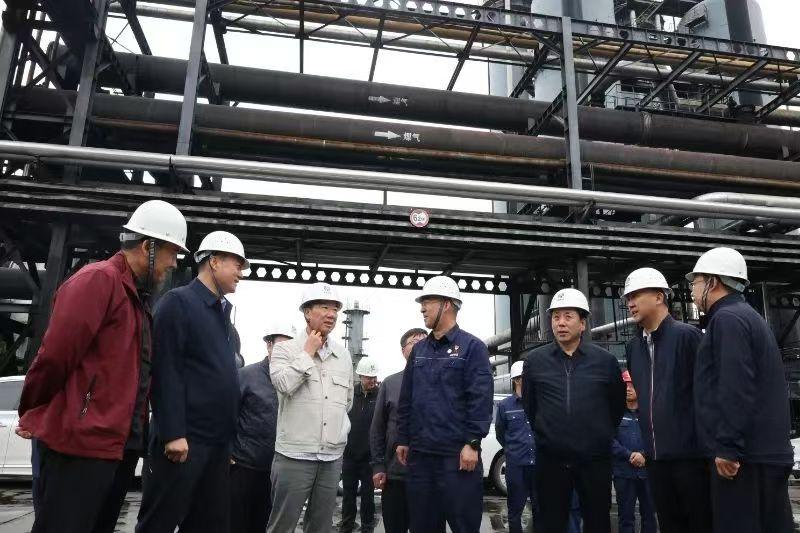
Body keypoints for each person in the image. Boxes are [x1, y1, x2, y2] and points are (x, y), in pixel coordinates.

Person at [17, 200, 188, 533]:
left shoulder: (136, 298)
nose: (173, 263)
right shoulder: (98, 281)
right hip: (80, 446)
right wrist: (33, 407)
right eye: (172, 253)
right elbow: (55, 355)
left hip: (115, 446)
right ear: (148, 247)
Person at [136, 231, 248, 533]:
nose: (241, 273)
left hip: (217, 444)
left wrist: (228, 442)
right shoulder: (178, 303)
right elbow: (165, 369)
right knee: (159, 522)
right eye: (237, 264)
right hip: (184, 441)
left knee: (209, 524)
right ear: (214, 261)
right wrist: (173, 432)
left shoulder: (222, 315)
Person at [688, 247, 794, 533]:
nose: (692, 290)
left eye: (696, 282)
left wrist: (727, 447)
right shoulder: (747, 316)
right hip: (763, 454)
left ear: (713, 282)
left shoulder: (728, 320)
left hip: (745, 461)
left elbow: (735, 385)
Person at [522, 288, 626, 533]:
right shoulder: (535, 361)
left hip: (594, 460)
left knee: (597, 521)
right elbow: (531, 406)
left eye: (568, 316)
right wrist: (550, 435)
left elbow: (616, 407)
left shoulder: (605, 362)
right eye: (555, 317)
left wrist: (598, 436)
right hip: (551, 460)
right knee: (550, 523)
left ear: (583, 323)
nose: (560, 323)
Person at [396, 275, 493, 533]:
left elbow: (480, 399)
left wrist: (473, 443)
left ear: (447, 304)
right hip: (421, 457)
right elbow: (407, 397)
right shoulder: (419, 351)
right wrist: (403, 438)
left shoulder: (472, 348)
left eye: (428, 301)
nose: (422, 308)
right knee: (422, 526)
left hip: (457, 457)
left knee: (464, 525)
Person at [623, 267, 710, 533]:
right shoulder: (634, 347)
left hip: (691, 459)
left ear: (659, 297)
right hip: (656, 461)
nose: (630, 303)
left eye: (636, 295)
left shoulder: (688, 337)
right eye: (628, 298)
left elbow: (707, 395)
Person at [267, 282, 354, 533]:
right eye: (324, 307)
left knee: (321, 527)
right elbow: (283, 384)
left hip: (331, 458)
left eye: (335, 309)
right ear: (307, 312)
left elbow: (347, 401)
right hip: (294, 456)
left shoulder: (343, 355)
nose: (332, 314)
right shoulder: (285, 350)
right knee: (282, 526)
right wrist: (307, 353)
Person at [229, 323, 296, 533]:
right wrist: (226, 452)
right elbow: (227, 415)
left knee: (267, 525)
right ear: (269, 345)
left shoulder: (297, 381)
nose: (287, 353)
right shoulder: (245, 376)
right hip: (243, 467)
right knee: (237, 525)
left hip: (279, 471)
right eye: (282, 346)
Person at [370, 328, 427, 533]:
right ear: (403, 351)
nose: (420, 345)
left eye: (425, 341)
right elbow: (378, 428)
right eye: (414, 342)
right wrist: (378, 466)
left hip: (430, 474)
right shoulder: (391, 383)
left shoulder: (440, 381)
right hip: (396, 473)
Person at [495, 360, 540, 533]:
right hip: (516, 466)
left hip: (538, 464)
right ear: (516, 380)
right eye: (524, 377)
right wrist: (513, 450)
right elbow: (501, 433)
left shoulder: (539, 403)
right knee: (515, 510)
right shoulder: (505, 406)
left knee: (540, 509)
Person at [612, 371, 656, 533]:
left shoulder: (650, 414)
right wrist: (628, 454)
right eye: (625, 385)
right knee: (625, 518)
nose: (629, 389)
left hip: (648, 472)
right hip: (623, 474)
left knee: (649, 516)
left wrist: (644, 455)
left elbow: (658, 437)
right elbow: (608, 440)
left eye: (632, 385)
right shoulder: (615, 414)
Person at [340, 357, 380, 533]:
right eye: (368, 377)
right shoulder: (350, 395)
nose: (372, 381)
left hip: (369, 457)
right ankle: (347, 526)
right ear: (360, 376)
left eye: (374, 377)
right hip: (349, 455)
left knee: (367, 495)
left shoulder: (380, 396)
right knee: (348, 493)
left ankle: (367, 527)